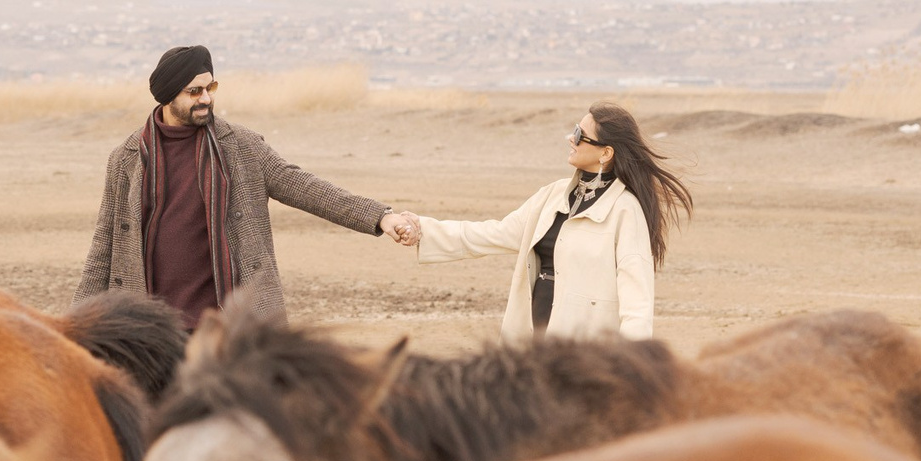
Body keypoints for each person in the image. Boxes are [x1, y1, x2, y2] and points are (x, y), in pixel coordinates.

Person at [78, 45, 422, 327]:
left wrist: (380, 217)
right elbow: (104, 247)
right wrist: (73, 328)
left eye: (210, 88)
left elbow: (304, 186)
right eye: (194, 91)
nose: (206, 99)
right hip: (153, 329)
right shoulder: (127, 158)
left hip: (229, 326)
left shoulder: (240, 146)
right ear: (168, 96)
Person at [397, 102, 690, 342]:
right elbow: (494, 233)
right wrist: (423, 228)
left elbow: (636, 303)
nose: (570, 139)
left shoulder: (625, 211)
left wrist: (634, 367)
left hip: (587, 350)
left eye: (579, 134)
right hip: (534, 335)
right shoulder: (552, 195)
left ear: (606, 152)